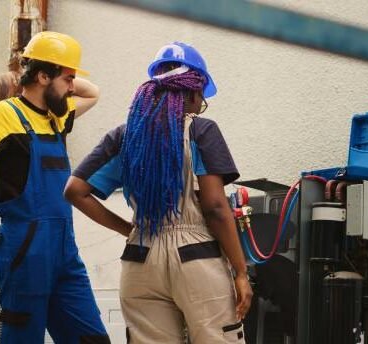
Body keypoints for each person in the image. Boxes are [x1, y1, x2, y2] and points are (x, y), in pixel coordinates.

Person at [64, 41, 252, 343]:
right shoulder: (201, 131)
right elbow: (216, 208)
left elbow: (75, 190)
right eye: (201, 96)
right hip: (196, 258)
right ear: (192, 90)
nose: (200, 103)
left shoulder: (126, 136)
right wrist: (241, 271)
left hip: (140, 259)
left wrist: (130, 230)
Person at [0, 32, 110, 343]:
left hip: (64, 252)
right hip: (24, 249)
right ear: (43, 76)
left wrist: (38, 70)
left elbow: (93, 92)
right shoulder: (3, 114)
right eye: (68, 78)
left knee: (91, 338)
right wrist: (32, 70)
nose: (72, 87)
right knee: (23, 338)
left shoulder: (57, 118)